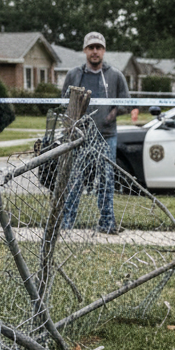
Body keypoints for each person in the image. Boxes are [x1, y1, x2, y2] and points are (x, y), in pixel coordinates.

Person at [59, 31, 130, 233]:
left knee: (106, 180)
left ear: (104, 50)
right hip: (79, 137)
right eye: (91, 47)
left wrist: (111, 115)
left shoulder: (115, 75)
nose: (95, 51)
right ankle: (66, 224)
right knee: (74, 180)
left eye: (98, 47)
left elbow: (126, 103)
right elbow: (64, 102)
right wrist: (73, 121)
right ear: (85, 50)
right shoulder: (74, 75)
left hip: (107, 136)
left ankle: (107, 223)